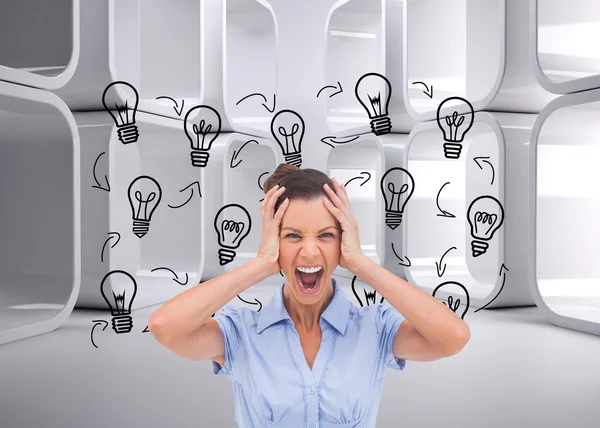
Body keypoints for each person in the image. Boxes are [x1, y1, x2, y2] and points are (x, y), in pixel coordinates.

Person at [149, 163, 471, 427]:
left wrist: (360, 263)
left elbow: (453, 337)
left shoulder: (374, 329)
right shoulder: (241, 333)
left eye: (326, 235)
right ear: (274, 241)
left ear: (342, 242)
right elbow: (165, 326)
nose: (309, 251)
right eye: (293, 235)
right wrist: (260, 264)